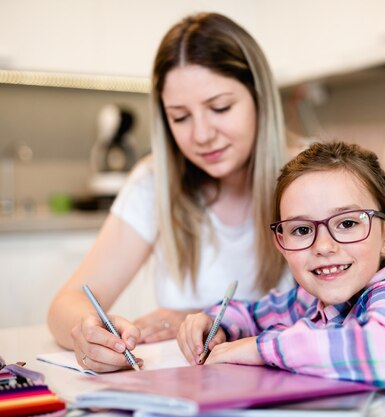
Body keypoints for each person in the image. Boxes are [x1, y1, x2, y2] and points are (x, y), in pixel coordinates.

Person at [47, 12, 291, 373]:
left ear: (260, 98)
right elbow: (64, 305)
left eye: (220, 108)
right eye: (180, 117)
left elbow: (354, 313)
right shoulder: (153, 182)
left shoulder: (313, 177)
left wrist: (205, 319)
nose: (202, 134)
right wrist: (90, 334)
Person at [177, 141, 385, 389]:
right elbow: (250, 314)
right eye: (301, 229)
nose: (323, 246)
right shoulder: (305, 302)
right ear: (281, 245)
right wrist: (213, 323)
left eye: (347, 223)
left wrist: (262, 348)